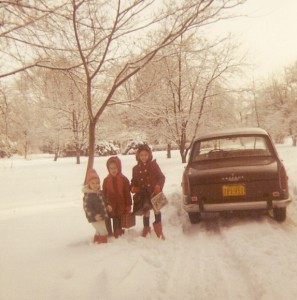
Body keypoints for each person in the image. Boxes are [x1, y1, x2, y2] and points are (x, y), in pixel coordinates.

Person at [131, 144, 166, 240]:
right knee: (146, 211)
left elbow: (162, 177)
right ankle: (146, 228)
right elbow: (134, 181)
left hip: (155, 192)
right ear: (138, 156)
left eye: (145, 155)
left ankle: (159, 230)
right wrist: (133, 187)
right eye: (141, 155)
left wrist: (158, 186)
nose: (143, 157)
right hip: (144, 194)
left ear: (149, 155)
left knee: (156, 210)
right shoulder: (135, 169)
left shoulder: (154, 165)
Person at [103, 156, 132, 238]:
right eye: (111, 168)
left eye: (115, 168)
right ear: (108, 169)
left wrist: (128, 205)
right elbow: (104, 194)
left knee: (117, 218)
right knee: (107, 218)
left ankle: (118, 231)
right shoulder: (106, 180)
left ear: (119, 167)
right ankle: (108, 233)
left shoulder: (124, 179)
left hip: (120, 204)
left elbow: (127, 193)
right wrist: (105, 204)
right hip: (110, 205)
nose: (113, 170)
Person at [82, 168, 112, 244]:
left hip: (101, 216)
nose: (95, 185)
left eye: (97, 183)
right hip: (95, 217)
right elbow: (87, 208)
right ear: (88, 184)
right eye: (93, 183)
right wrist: (94, 216)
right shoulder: (89, 196)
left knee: (99, 230)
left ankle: (96, 240)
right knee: (103, 231)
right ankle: (103, 244)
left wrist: (107, 205)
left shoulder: (99, 192)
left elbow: (104, 200)